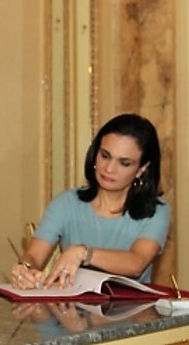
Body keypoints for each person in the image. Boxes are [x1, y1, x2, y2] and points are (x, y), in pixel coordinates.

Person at [11, 113, 169, 290]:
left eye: (124, 163)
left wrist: (83, 253)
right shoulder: (66, 203)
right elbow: (33, 256)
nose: (109, 168)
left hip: (130, 313)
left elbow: (136, 263)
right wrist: (24, 270)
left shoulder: (156, 211)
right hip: (68, 311)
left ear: (142, 169)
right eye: (105, 155)